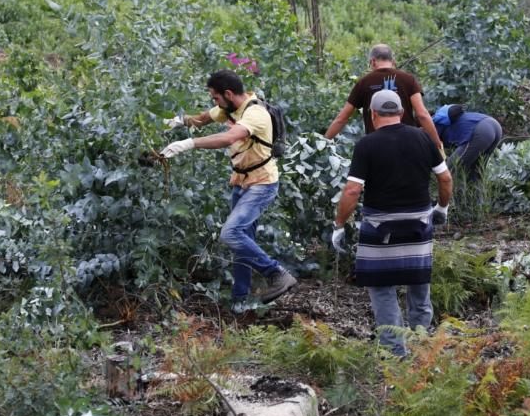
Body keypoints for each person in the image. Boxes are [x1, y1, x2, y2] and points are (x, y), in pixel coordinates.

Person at [331, 89, 453, 356]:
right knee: (419, 286)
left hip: (379, 227)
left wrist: (339, 224)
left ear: (373, 115)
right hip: (418, 225)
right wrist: (441, 208)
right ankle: (422, 349)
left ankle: (394, 353)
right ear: (401, 113)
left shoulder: (367, 145)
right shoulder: (423, 138)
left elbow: (352, 191)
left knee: (383, 289)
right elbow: (445, 179)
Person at [161, 70, 296, 309]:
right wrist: (177, 122)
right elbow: (203, 118)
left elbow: (229, 137)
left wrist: (188, 144)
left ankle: (277, 274)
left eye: (215, 97)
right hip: (242, 182)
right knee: (242, 240)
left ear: (228, 94)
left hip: (262, 184)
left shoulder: (255, 114)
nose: (214, 103)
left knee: (231, 234)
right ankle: (240, 301)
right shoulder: (230, 109)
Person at [324, 44, 443, 150]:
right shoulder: (408, 79)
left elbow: (342, 118)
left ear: (373, 62)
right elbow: (422, 114)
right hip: (408, 143)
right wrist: (436, 142)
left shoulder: (364, 82)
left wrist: (324, 142)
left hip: (376, 146)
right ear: (393, 61)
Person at [431, 104, 503, 180]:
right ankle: (476, 191)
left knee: (448, 170)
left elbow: (435, 148)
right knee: (476, 171)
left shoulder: (433, 124)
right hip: (493, 124)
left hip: (481, 130)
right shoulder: (442, 119)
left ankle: (452, 191)